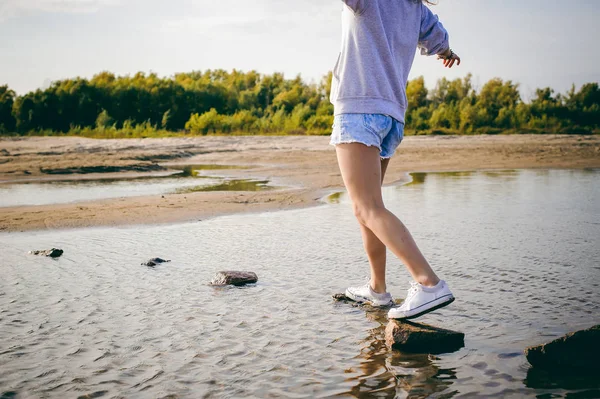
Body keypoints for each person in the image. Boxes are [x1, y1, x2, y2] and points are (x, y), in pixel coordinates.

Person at [330, 0, 461, 320]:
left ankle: (428, 283)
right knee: (369, 208)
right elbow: (438, 38)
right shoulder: (415, 8)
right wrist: (446, 52)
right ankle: (377, 289)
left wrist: (443, 50)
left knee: (367, 207)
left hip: (359, 109)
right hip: (392, 117)